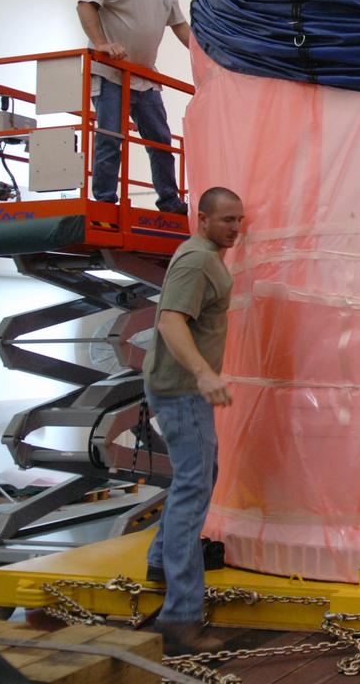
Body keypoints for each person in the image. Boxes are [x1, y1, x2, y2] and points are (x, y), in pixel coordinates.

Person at [141, 186, 244, 654]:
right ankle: (181, 619)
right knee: (193, 490)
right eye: (227, 220)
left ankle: (160, 564)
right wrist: (203, 374)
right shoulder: (198, 261)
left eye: (239, 220)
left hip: (178, 389)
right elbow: (169, 321)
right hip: (182, 392)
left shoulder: (204, 254)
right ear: (202, 219)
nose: (235, 228)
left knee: (194, 479)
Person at [77, 0, 191, 213]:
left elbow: (179, 25)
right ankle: (104, 199)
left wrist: (207, 55)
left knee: (161, 141)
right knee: (111, 136)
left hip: (145, 76)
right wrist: (101, 43)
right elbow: (85, 5)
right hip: (112, 73)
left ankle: (169, 200)